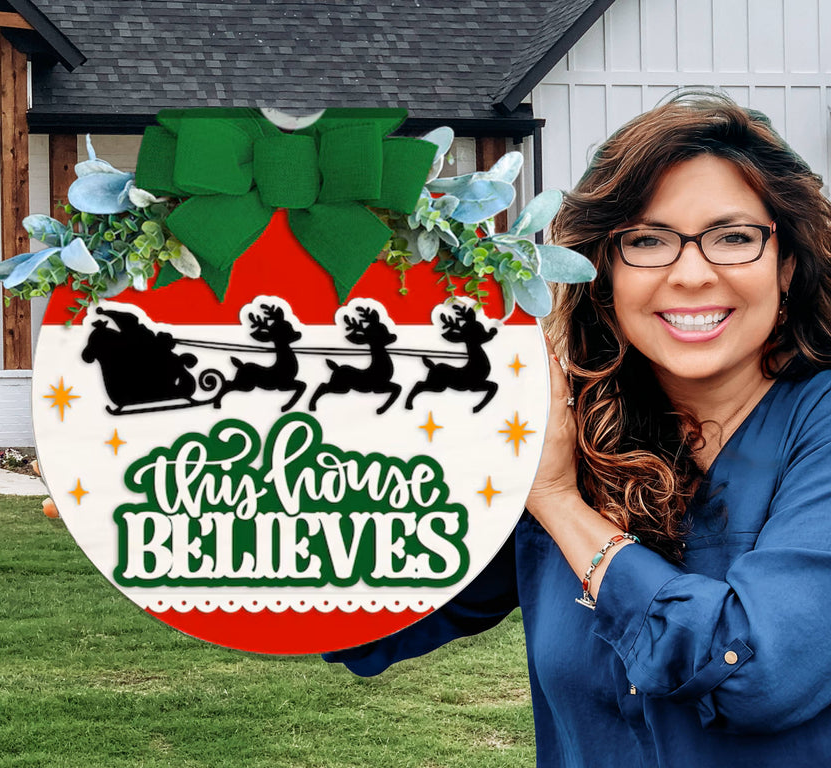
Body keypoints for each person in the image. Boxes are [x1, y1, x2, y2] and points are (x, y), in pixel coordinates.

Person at [324, 91, 831, 766]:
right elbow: (371, 620)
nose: (690, 273)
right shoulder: (566, 430)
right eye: (647, 241)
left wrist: (561, 503)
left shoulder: (814, 428)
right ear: (605, 274)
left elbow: (755, 674)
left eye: (733, 237)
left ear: (787, 264)